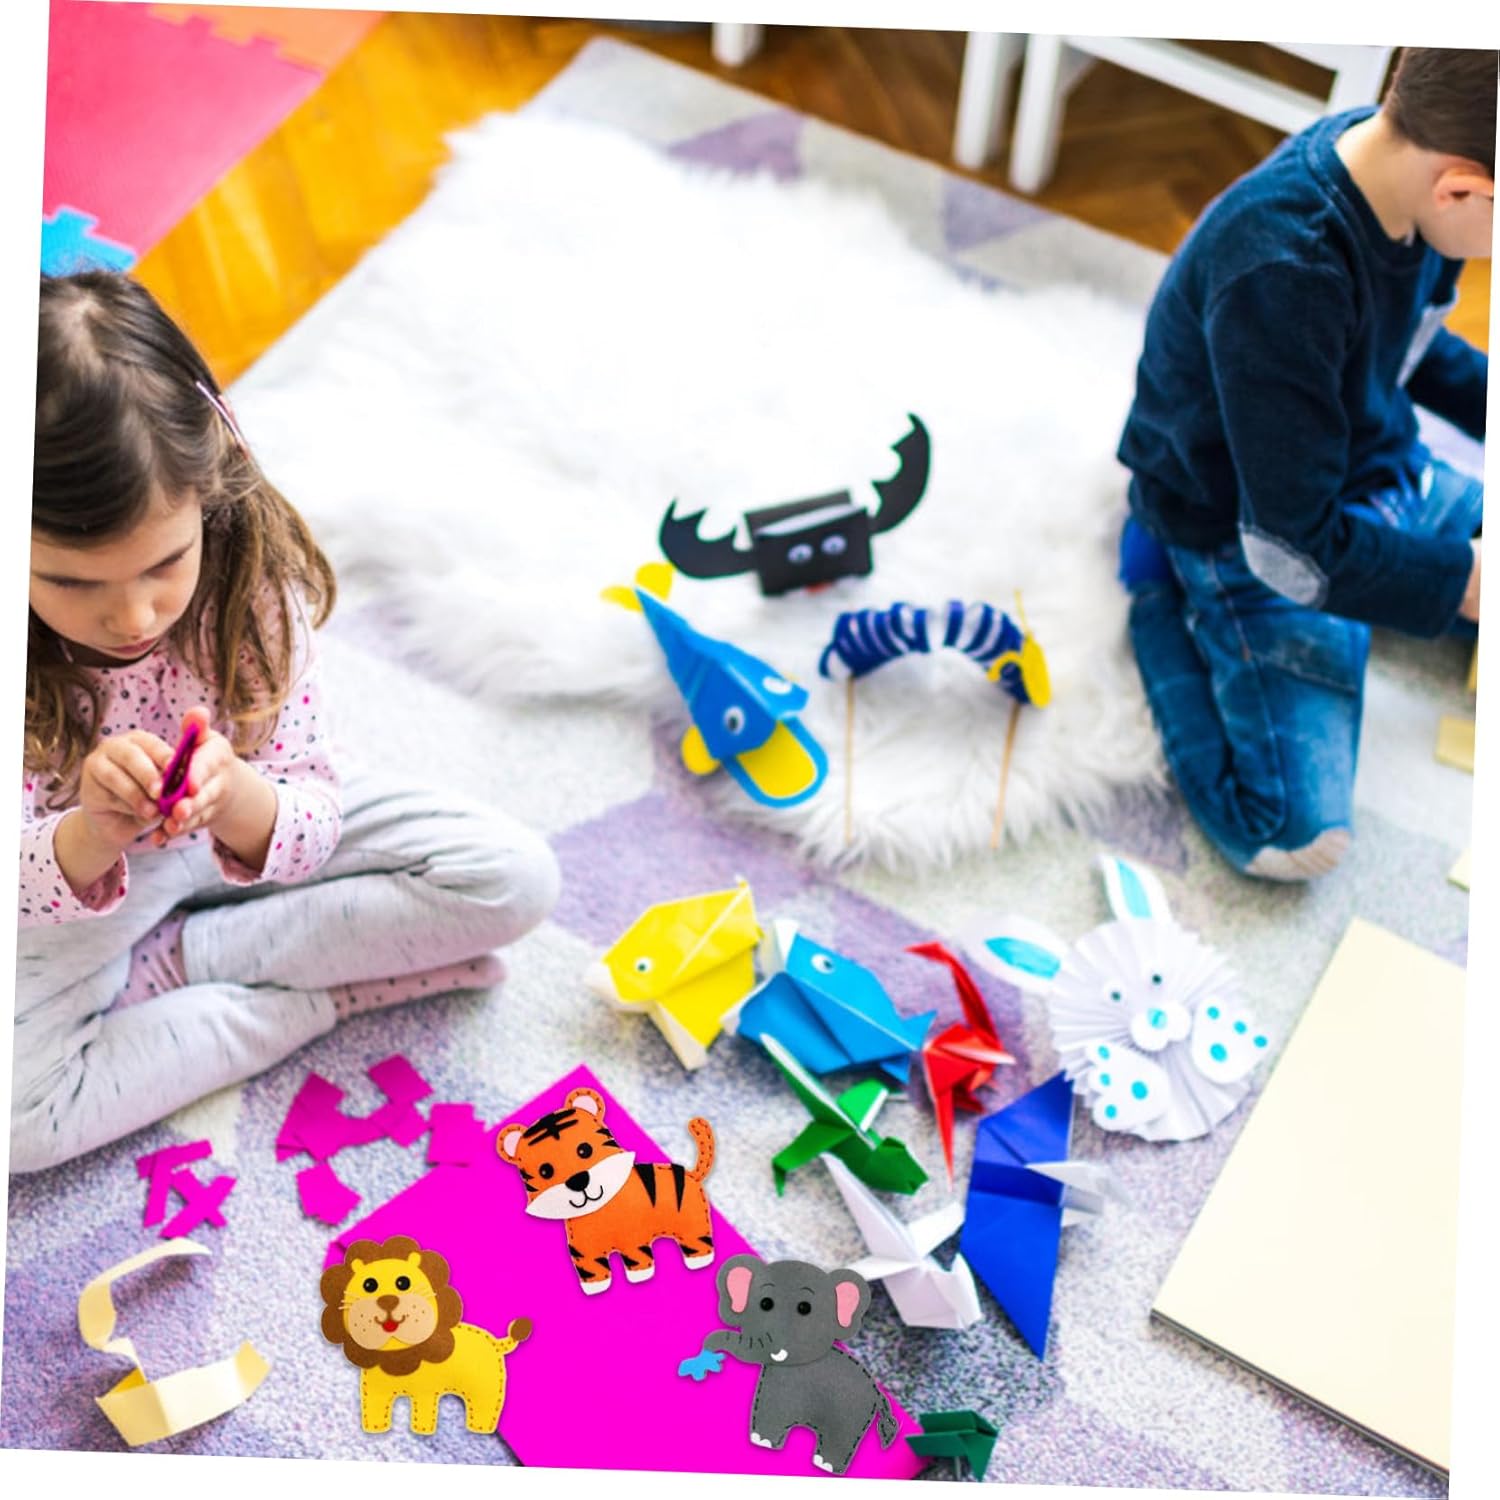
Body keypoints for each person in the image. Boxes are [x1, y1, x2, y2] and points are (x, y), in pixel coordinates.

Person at [16, 272, 561, 1173]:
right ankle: (303, 1001)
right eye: (71, 582)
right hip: (72, 882)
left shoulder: (245, 584)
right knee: (18, 1123)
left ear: (211, 487)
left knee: (513, 878)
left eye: (164, 562)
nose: (134, 616)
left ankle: (184, 963)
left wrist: (238, 798)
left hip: (242, 821)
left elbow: (310, 804)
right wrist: (87, 833)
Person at [1117, 46, 1493, 880]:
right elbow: (1294, 553)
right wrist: (1465, 582)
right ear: (1462, 188)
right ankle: (1157, 594)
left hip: (1368, 471)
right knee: (1293, 840)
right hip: (1245, 531)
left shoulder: (1405, 174)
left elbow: (1411, 345)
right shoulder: (1284, 272)